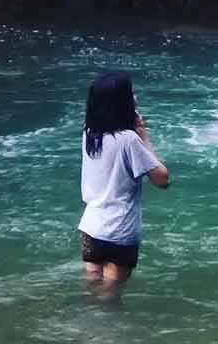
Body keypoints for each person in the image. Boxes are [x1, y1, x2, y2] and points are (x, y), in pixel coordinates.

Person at [79, 71, 170, 299]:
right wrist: (144, 137)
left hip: (92, 226)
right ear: (122, 102)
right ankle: (104, 333)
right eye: (132, 93)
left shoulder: (90, 133)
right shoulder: (129, 140)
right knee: (110, 297)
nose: (136, 97)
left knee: (92, 288)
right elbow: (162, 179)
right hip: (120, 231)